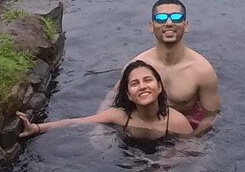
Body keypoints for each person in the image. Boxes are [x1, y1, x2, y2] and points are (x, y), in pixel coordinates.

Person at [19, 59, 198, 142]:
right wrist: (36, 128)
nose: (142, 86)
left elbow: (191, 152)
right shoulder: (120, 116)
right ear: (128, 94)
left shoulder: (176, 121)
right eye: (134, 83)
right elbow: (76, 122)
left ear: (159, 87)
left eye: (148, 80)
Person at [118, 0, 220, 129]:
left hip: (186, 130)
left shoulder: (202, 70)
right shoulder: (137, 67)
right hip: (146, 128)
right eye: (161, 18)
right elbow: (113, 100)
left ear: (186, 25)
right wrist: (99, 130)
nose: (169, 23)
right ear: (151, 26)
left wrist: (190, 141)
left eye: (177, 17)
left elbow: (211, 115)